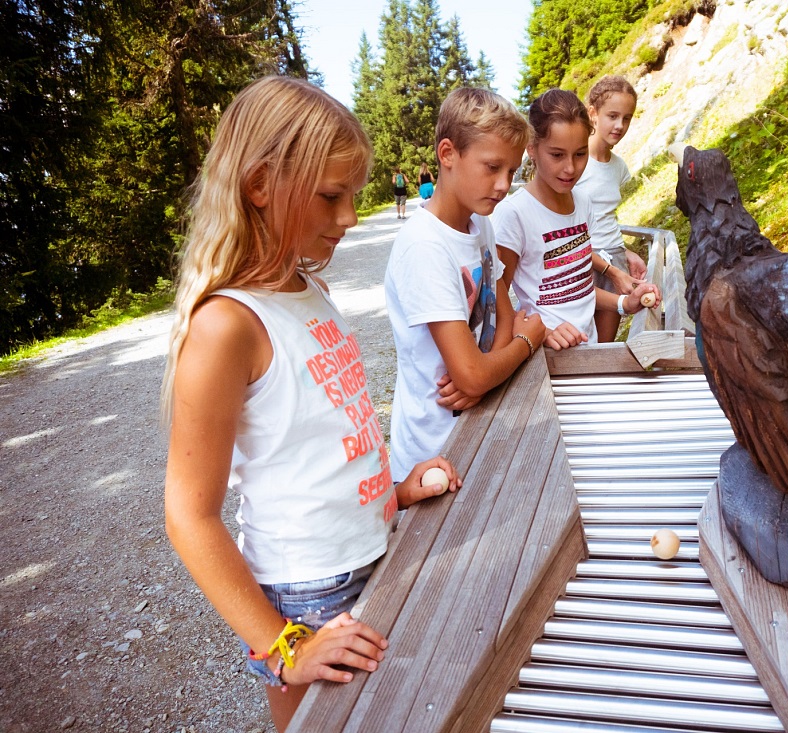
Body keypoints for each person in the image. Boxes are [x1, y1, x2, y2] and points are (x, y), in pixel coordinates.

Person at [161, 76, 461, 732]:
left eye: (353, 196)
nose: (350, 218)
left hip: (372, 550)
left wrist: (393, 489)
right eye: (331, 196)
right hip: (308, 594)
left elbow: (321, 434)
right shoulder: (227, 327)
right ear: (260, 183)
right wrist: (284, 644)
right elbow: (189, 515)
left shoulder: (306, 289)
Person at [385, 87, 547, 482]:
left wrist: (485, 376)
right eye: (492, 167)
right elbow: (475, 370)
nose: (505, 184)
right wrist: (527, 343)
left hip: (477, 421)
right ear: (447, 155)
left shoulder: (481, 224)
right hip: (434, 452)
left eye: (511, 171)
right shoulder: (425, 247)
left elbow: (501, 313)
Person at [493, 88, 659, 351]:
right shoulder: (514, 214)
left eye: (580, 154)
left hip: (586, 352)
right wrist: (543, 333)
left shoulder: (583, 202)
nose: (570, 168)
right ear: (532, 149)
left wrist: (623, 304)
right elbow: (495, 303)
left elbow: (579, 289)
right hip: (544, 361)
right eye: (557, 155)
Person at [575, 75, 649, 342]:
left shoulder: (619, 167)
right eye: (613, 116)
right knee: (579, 346)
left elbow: (604, 219)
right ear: (593, 114)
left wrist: (625, 251)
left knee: (603, 347)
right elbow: (571, 229)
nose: (620, 125)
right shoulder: (574, 164)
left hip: (613, 259)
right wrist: (610, 268)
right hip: (582, 262)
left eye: (627, 118)